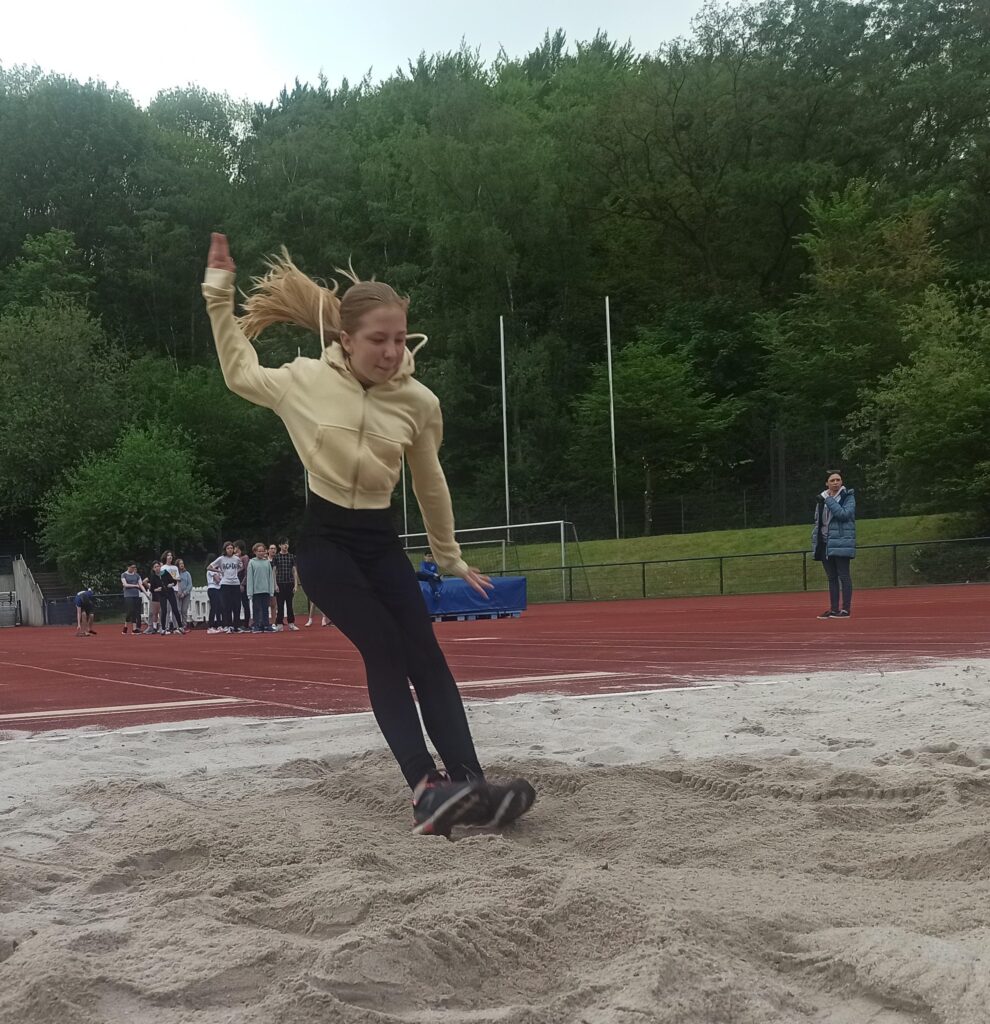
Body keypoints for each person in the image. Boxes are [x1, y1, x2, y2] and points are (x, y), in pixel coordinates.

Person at [203, 233, 535, 835]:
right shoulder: (303, 380)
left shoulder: (417, 402)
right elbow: (237, 371)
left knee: (425, 653)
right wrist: (218, 294)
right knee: (383, 647)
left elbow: (429, 484)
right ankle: (426, 790)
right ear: (345, 339)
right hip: (324, 545)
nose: (390, 352)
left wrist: (450, 558)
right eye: (377, 340)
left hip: (380, 542)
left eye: (399, 339)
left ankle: (470, 782)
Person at [812, 469, 856, 619]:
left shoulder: (848, 497)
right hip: (825, 543)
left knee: (844, 575)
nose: (835, 482)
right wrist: (816, 539)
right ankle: (834, 609)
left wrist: (829, 500)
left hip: (841, 542)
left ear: (842, 482)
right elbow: (818, 521)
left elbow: (843, 515)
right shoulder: (821, 499)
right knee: (831, 577)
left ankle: (846, 609)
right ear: (827, 483)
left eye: (838, 480)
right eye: (832, 480)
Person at [208, 542, 243, 634]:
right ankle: (228, 625)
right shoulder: (221, 559)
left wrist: (235, 572)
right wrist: (220, 571)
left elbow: (241, 567)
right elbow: (209, 567)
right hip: (225, 584)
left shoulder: (236, 559)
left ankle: (236, 626)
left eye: (231, 548)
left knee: (237, 606)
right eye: (228, 548)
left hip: (235, 583)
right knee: (227, 606)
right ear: (225, 549)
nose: (230, 550)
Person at [247, 542, 276, 632]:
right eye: (259, 551)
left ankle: (266, 624)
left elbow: (270, 577)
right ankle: (256, 625)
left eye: (263, 551)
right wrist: (250, 592)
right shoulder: (252, 562)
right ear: (255, 552)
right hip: (256, 591)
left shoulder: (267, 562)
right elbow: (250, 578)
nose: (261, 553)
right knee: (256, 609)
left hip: (265, 590)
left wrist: (271, 590)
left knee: (265, 609)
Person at [272, 538, 301, 631]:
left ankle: (291, 623)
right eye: (284, 544)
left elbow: (294, 571)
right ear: (280, 546)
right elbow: (274, 571)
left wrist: (296, 584)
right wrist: (275, 584)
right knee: (280, 605)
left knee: (290, 605)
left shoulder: (292, 556)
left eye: (287, 544)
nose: (286, 546)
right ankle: (279, 623)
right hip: (280, 583)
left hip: (289, 583)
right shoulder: (276, 557)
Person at [158, 551, 185, 635]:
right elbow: (162, 579)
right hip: (166, 590)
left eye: (171, 556)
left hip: (174, 588)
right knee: (166, 610)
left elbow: (178, 579)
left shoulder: (175, 567)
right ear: (165, 557)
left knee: (175, 609)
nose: (170, 557)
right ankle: (164, 627)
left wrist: (178, 587)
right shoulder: (163, 568)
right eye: (168, 555)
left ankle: (178, 626)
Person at [120, 563, 146, 635]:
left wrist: (146, 594)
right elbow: (125, 584)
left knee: (135, 611)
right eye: (132, 567)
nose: (133, 569)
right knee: (130, 611)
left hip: (136, 595)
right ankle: (125, 626)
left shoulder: (137, 575)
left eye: (134, 567)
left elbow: (140, 585)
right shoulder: (124, 575)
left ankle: (134, 629)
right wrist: (135, 585)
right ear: (128, 567)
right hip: (128, 595)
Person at [143, 562, 163, 633]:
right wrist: (152, 588)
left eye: (158, 566)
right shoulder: (152, 576)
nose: (157, 568)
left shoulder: (163, 575)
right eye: (155, 567)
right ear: (153, 568)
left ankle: (160, 626)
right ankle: (151, 626)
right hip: (154, 595)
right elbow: (144, 581)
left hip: (162, 595)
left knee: (161, 611)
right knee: (152, 612)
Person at [205, 557, 224, 633]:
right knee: (214, 607)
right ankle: (211, 626)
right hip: (213, 588)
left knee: (219, 608)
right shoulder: (211, 571)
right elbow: (217, 580)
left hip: (218, 589)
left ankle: (219, 625)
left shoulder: (218, 570)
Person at [176, 558, 193, 630]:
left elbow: (190, 585)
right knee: (178, 610)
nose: (182, 565)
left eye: (182, 563)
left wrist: (184, 593)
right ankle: (178, 625)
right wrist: (178, 592)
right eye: (180, 563)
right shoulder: (175, 574)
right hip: (177, 594)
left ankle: (184, 625)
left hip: (186, 594)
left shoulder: (187, 574)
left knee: (184, 610)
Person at [267, 543, 279, 625]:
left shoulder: (278, 560)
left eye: (274, 548)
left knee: (274, 604)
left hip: (275, 584)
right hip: (265, 584)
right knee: (264, 604)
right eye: (271, 548)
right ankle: (264, 621)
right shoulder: (265, 560)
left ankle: (274, 622)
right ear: (268, 550)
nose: (273, 550)